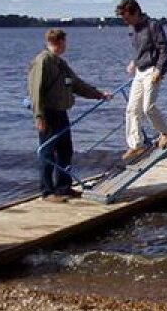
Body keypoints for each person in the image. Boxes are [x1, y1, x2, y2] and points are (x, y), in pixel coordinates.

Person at [28, 29, 111, 203]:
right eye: (64, 42)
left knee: (66, 151)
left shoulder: (60, 63)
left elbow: (76, 84)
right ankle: (47, 191)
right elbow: (35, 91)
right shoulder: (43, 61)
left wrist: (99, 94)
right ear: (59, 42)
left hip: (61, 113)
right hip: (48, 113)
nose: (66, 45)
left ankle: (64, 187)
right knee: (48, 152)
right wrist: (39, 117)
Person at [116, 0, 167, 162]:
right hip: (140, 72)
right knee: (132, 109)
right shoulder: (132, 28)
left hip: (153, 70)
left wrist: (159, 69)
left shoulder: (153, 25)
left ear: (135, 12)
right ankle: (136, 145)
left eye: (127, 17)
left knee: (148, 107)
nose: (125, 21)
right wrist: (133, 62)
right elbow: (139, 50)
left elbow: (165, 49)